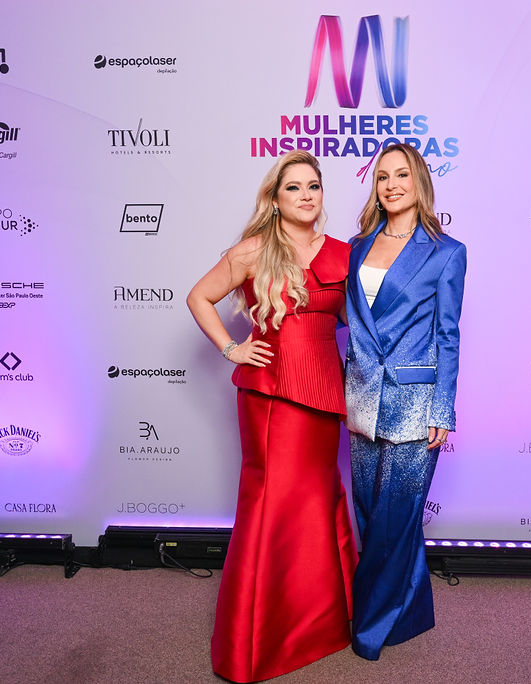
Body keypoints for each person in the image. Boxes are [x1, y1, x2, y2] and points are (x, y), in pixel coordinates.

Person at [186, 150, 357, 682]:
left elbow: (360, 321)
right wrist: (231, 349)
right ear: (275, 199)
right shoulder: (254, 250)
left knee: (317, 500)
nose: (306, 195)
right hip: (271, 397)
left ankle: (323, 625)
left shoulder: (343, 254)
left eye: (314, 186)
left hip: (324, 392)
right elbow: (199, 297)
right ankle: (258, 642)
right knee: (272, 506)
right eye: (294, 187)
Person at [343, 143, 466, 660]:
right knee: (371, 513)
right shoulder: (357, 246)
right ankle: (410, 613)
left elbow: (448, 335)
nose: (391, 185)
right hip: (362, 397)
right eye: (382, 177)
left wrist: (443, 407)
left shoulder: (446, 252)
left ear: (419, 183)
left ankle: (367, 627)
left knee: (395, 519)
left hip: (414, 402)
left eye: (401, 175)